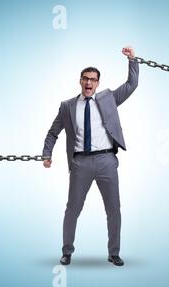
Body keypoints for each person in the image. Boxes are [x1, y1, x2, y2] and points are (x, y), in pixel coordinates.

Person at [42, 46, 139, 266]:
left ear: (97, 83)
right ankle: (67, 251)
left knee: (114, 209)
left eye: (93, 80)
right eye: (85, 79)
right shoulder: (67, 106)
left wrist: (132, 60)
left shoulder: (108, 99)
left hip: (106, 161)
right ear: (80, 80)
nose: (88, 83)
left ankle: (113, 252)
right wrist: (46, 154)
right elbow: (52, 133)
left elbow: (131, 85)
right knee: (73, 209)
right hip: (80, 163)